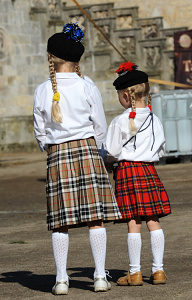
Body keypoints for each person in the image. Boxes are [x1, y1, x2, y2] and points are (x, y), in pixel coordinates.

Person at [33, 22, 122, 295]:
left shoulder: (42, 90)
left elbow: (39, 130)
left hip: (58, 154)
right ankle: (98, 277)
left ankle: (61, 280)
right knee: (96, 218)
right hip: (87, 151)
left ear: (52, 58)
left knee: (61, 220)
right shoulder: (87, 86)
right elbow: (100, 126)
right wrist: (101, 151)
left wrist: (50, 149)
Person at [105, 61, 171, 286]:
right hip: (149, 171)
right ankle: (159, 271)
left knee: (133, 222)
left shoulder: (120, 120)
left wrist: (109, 158)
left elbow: (112, 151)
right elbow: (161, 149)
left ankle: (134, 273)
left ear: (125, 96)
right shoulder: (155, 119)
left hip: (127, 172)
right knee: (153, 221)